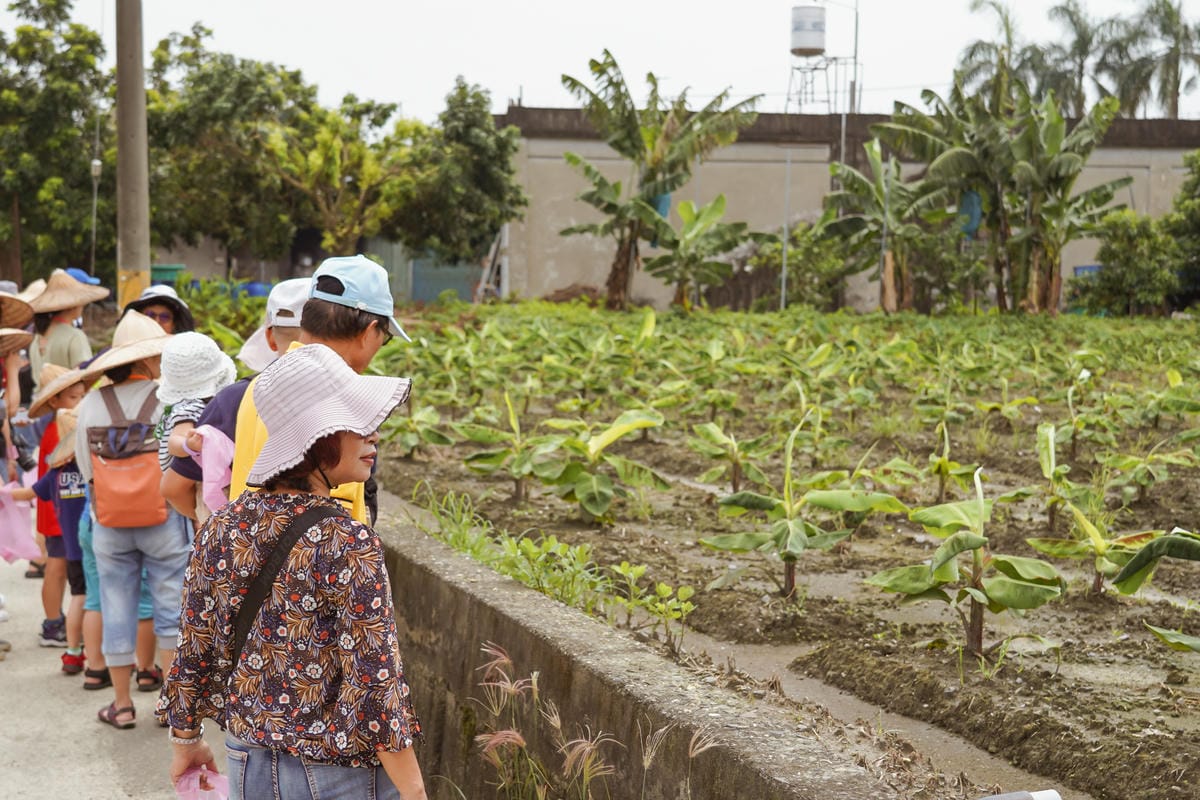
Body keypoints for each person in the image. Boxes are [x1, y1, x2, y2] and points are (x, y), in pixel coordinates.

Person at [158, 343, 424, 799]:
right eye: (357, 424)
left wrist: (186, 741)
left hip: (247, 760)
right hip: (336, 772)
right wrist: (414, 789)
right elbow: (376, 681)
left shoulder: (222, 526)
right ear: (318, 438)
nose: (375, 435)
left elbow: (194, 646)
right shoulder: (348, 541)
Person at [228, 255, 410, 524]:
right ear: (370, 331)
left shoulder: (261, 384)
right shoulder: (339, 403)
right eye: (385, 337)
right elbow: (334, 515)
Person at [73, 310, 186, 730]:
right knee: (170, 608)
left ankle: (121, 705)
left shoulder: (91, 403)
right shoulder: (167, 400)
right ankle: (172, 707)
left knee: (116, 605)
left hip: (109, 521)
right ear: (148, 359)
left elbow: (85, 467)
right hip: (163, 518)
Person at [160, 278, 309, 521]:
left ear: (270, 337)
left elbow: (172, 488)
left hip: (244, 532)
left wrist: (206, 521)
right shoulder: (357, 400)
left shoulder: (233, 400)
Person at [4, 404, 88, 673]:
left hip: (71, 547)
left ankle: (72, 652)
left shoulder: (56, 472)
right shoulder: (92, 467)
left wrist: (4, 493)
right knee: (93, 601)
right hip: (92, 547)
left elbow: (29, 494)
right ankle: (94, 648)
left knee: (78, 597)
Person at [23, 364, 87, 649]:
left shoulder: (61, 427)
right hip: (59, 510)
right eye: (73, 398)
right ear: (54, 401)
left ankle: (57, 621)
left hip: (59, 508)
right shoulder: (57, 431)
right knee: (57, 567)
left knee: (60, 567)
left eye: (82, 396)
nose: (79, 403)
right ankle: (52, 624)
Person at [155, 332, 236, 522]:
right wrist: (188, 445)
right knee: (209, 520)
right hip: (200, 482)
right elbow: (174, 441)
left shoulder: (213, 404)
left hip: (208, 477)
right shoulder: (189, 409)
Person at [27, 268, 108, 391]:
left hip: (40, 400)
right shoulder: (74, 336)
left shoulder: (37, 337)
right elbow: (85, 376)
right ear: (73, 305)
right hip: (69, 401)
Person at [122, 284, 196, 334]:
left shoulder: (183, 351)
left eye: (165, 317)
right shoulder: (124, 349)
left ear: (174, 324)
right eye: (150, 315)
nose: (157, 321)